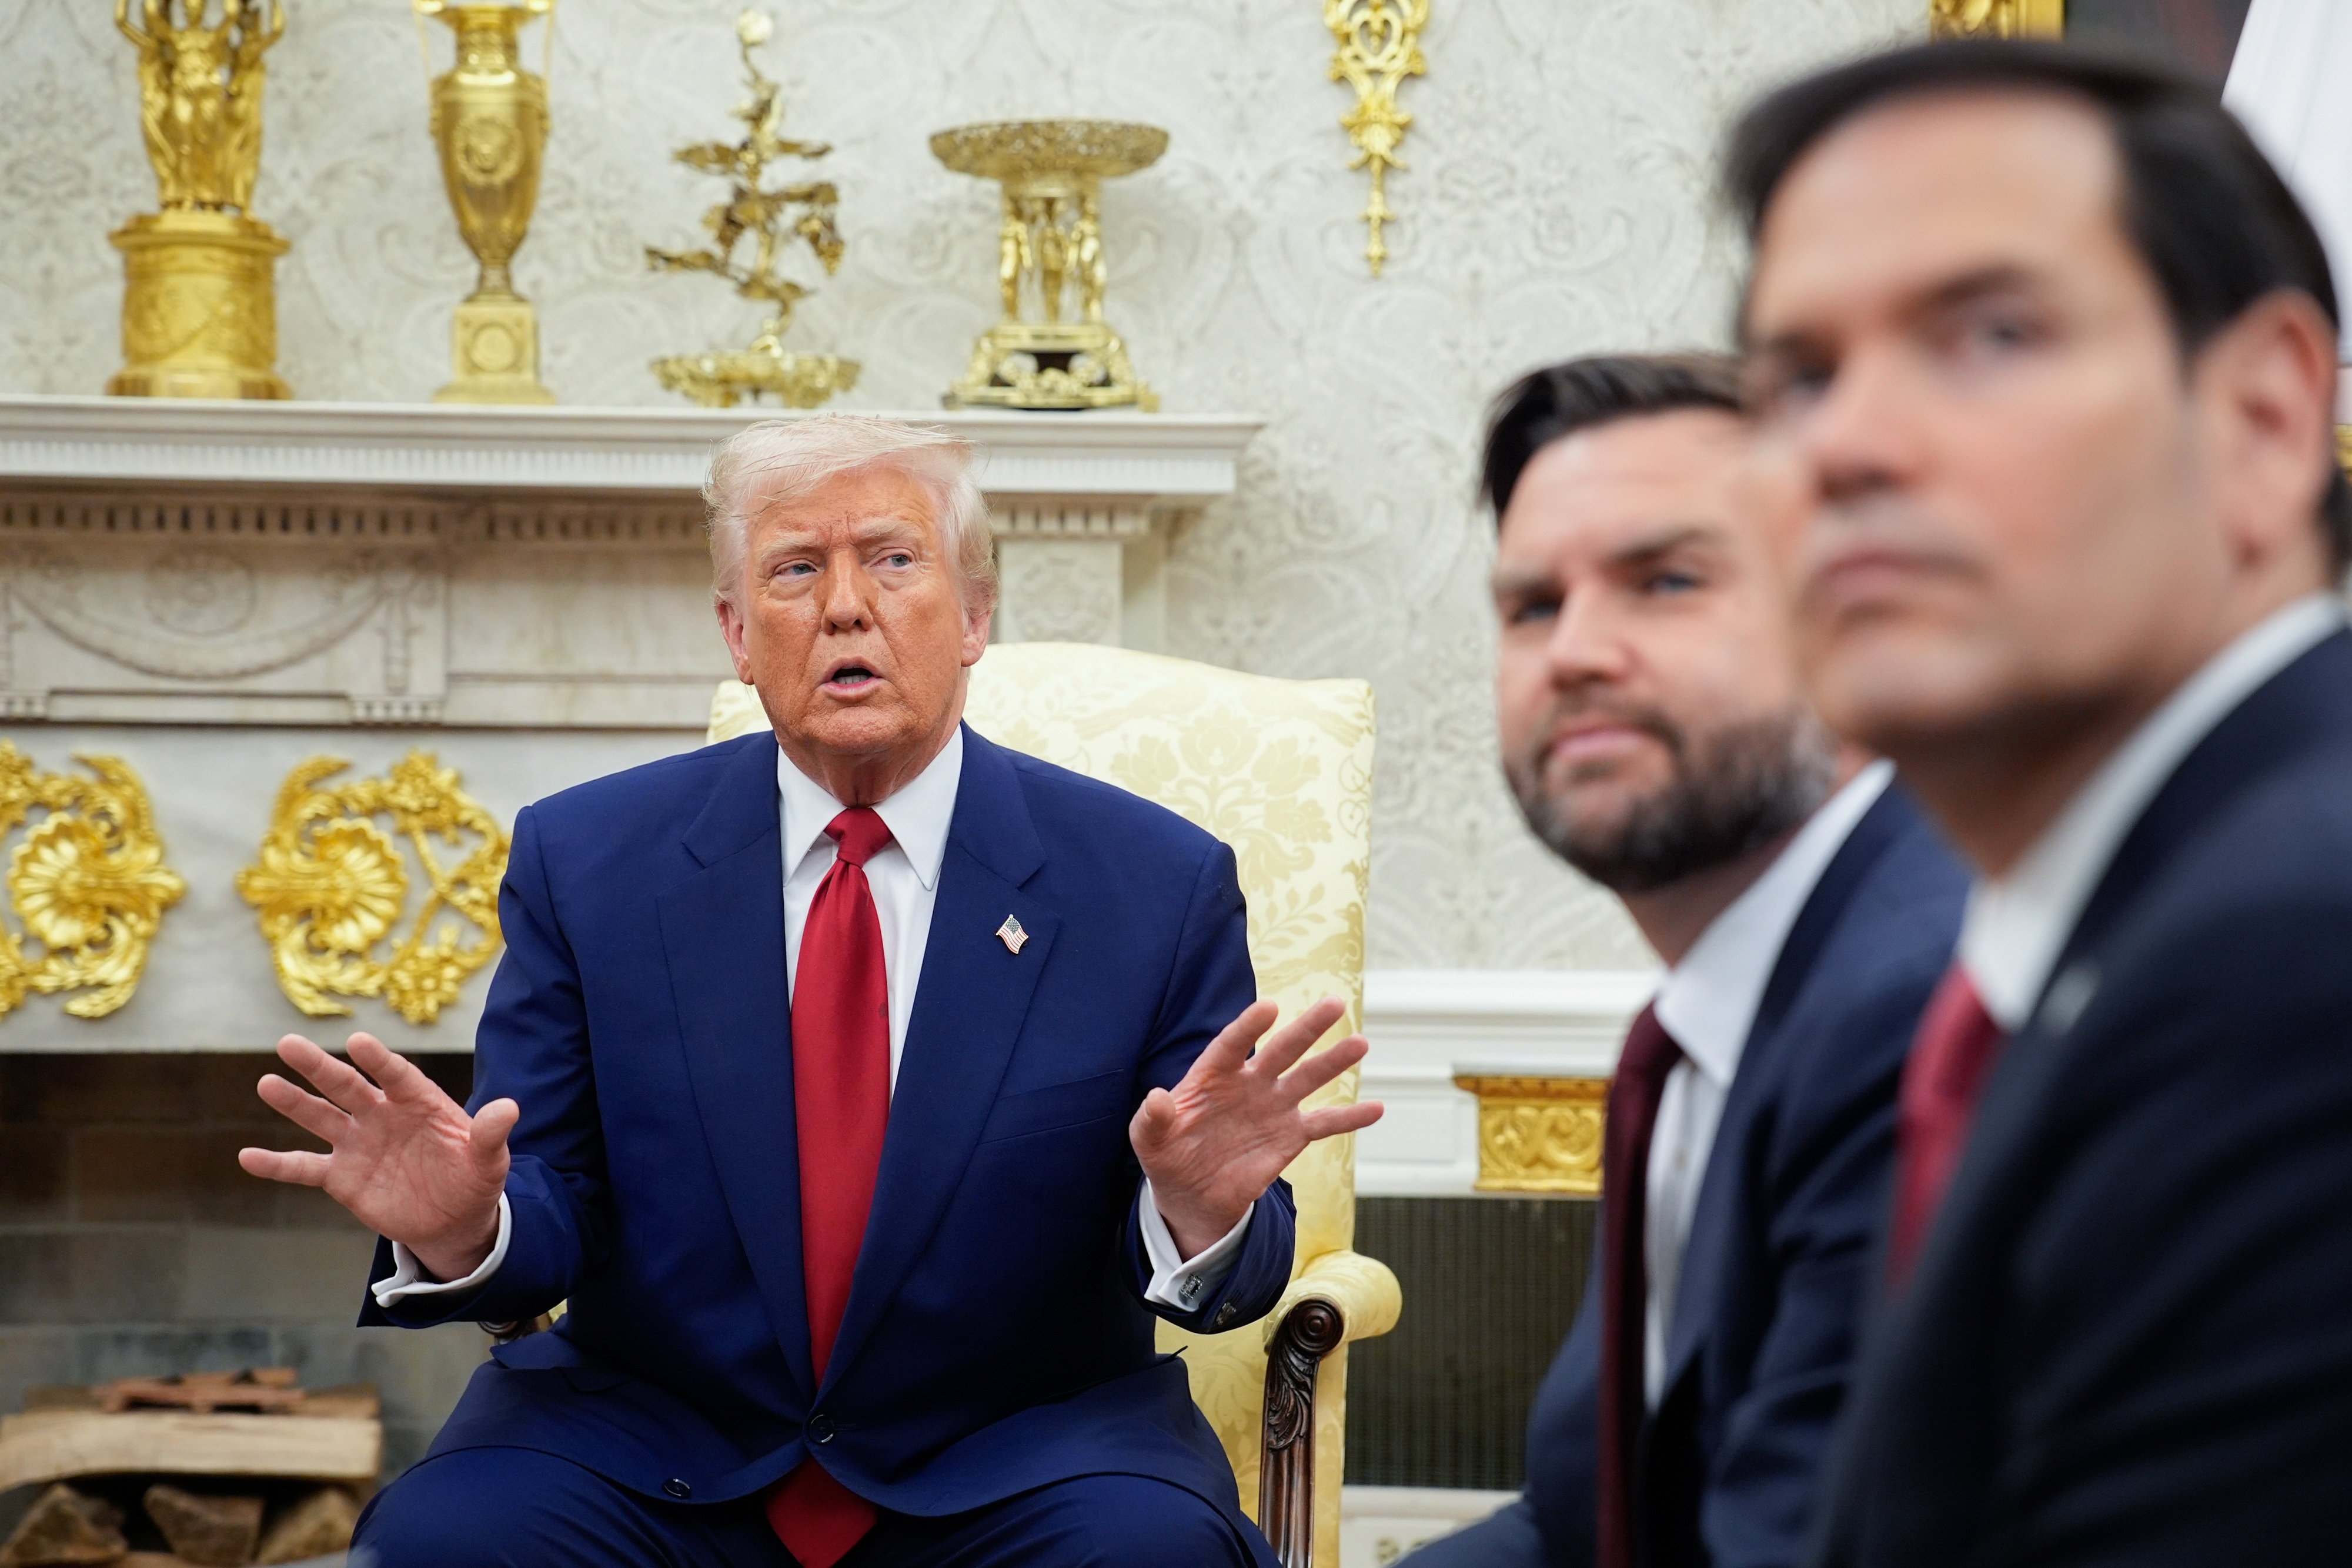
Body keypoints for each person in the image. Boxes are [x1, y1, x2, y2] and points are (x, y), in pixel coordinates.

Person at [238, 414, 1382, 1568]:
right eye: (796, 568)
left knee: (1152, 1555)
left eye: (891, 559)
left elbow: (1226, 1271)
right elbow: (554, 1194)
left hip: (1018, 1456)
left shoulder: (1150, 881)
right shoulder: (585, 860)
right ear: (739, 633)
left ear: (974, 612)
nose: (845, 606)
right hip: (652, 1449)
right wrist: (461, 1229)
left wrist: (1199, 1209)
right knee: (448, 1541)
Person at [1728, 40, 2352, 1567]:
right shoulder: (2127, 914)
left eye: (1991, 334)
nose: (1852, 442)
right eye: (1800, 375)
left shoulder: (2293, 957)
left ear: (2270, 418)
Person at [1408, 356, 1966, 1568]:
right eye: (1532, 604)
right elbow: (1583, 1516)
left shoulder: (1921, 1011)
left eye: (1664, 581)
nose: (1576, 652)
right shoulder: (1705, 1021)